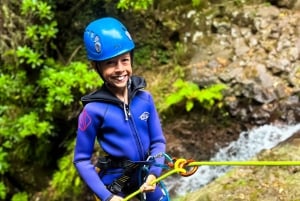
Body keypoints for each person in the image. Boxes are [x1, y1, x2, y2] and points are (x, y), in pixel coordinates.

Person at [73, 17, 167, 201]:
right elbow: (81, 160)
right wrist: (107, 196)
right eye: (110, 63)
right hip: (116, 182)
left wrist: (154, 173)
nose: (120, 69)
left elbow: (158, 142)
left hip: (146, 175)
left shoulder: (145, 99)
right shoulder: (92, 111)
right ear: (96, 67)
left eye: (124, 60)